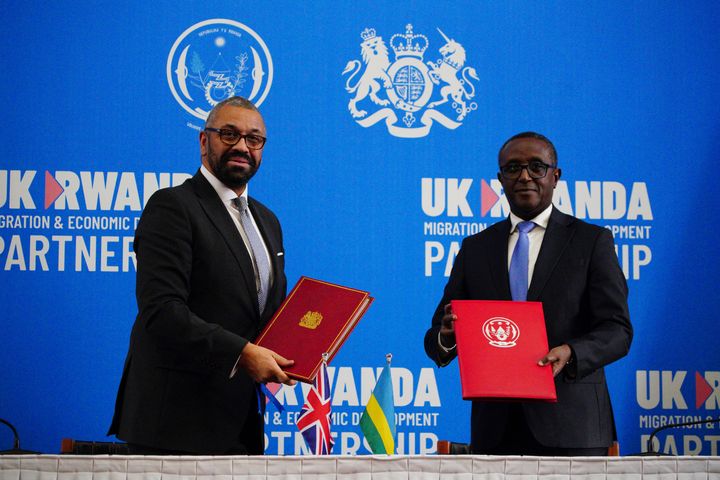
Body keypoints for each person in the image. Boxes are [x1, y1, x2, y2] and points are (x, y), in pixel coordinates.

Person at [425, 132, 632, 456]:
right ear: (500, 179)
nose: (524, 176)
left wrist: (572, 352)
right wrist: (449, 335)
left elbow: (618, 331)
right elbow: (438, 337)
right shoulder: (475, 249)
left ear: (555, 176)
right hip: (496, 431)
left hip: (574, 427)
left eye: (537, 166)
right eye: (513, 168)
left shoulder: (591, 242)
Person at [108, 96, 295, 455]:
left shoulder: (267, 221)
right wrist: (242, 353)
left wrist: (304, 345)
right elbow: (162, 312)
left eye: (253, 139)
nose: (242, 146)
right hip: (174, 426)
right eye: (229, 134)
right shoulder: (173, 206)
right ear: (204, 140)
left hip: (240, 422)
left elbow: (265, 314)